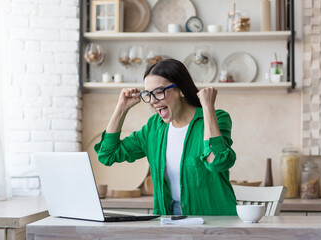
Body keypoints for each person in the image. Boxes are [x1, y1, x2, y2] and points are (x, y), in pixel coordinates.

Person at [94, 59, 237, 216]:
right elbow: (107, 154)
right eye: (148, 94)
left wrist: (208, 107)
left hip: (214, 220)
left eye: (159, 92)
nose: (153, 100)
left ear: (181, 90)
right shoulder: (154, 128)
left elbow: (217, 162)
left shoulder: (217, 118)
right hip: (168, 218)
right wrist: (121, 108)